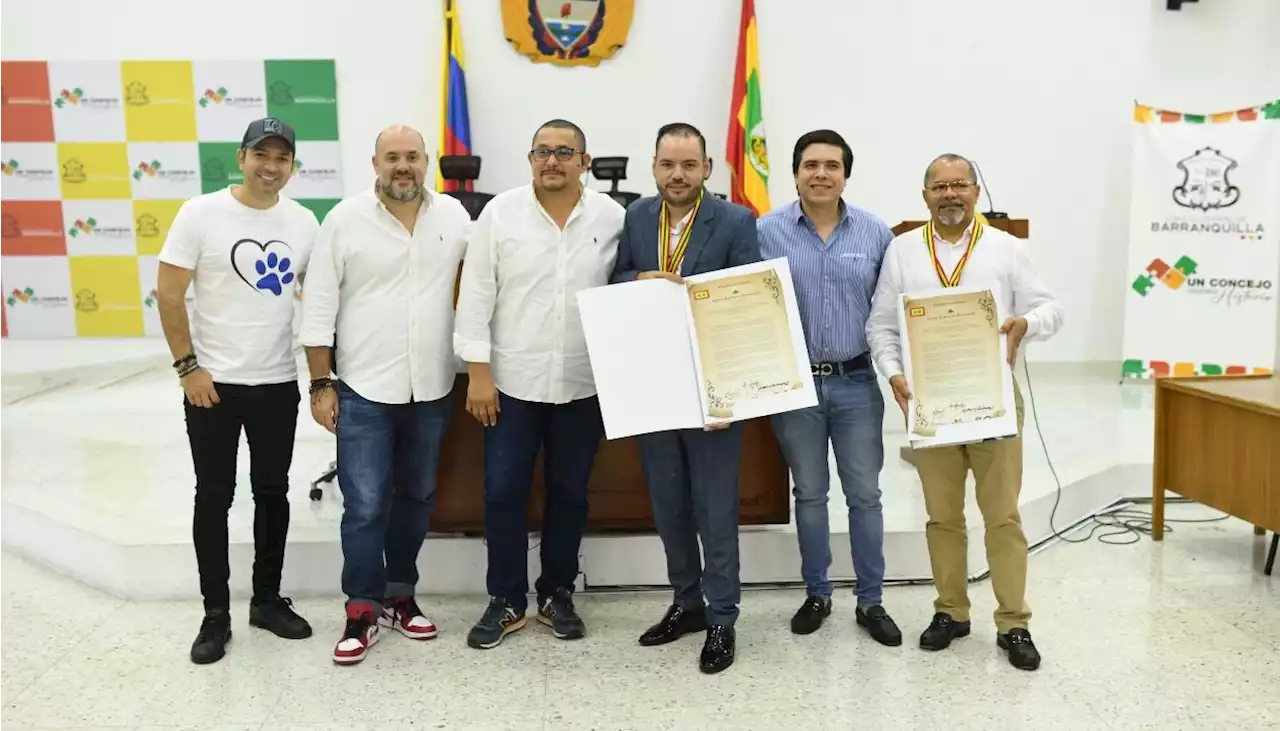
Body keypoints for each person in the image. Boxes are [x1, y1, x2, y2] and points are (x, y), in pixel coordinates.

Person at [865, 153, 1064, 671]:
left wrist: (1026, 325)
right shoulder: (903, 250)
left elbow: (1051, 309)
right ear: (925, 195)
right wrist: (893, 374)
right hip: (931, 404)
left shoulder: (1006, 248)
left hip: (994, 402)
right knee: (942, 517)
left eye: (960, 185)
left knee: (1003, 517)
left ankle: (1013, 622)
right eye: (939, 186)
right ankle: (951, 611)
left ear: (977, 192)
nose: (949, 194)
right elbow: (881, 326)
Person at [299, 124, 472, 666]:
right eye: (392, 157)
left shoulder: (455, 218)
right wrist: (321, 382)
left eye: (413, 157)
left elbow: (481, 285)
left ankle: (401, 595)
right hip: (363, 388)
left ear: (429, 162)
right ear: (375, 162)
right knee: (366, 505)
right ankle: (362, 607)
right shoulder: (344, 220)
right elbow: (319, 305)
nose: (403, 166)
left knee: (418, 498)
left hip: (433, 386)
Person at [453, 119, 625, 650]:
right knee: (503, 492)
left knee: (570, 494)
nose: (552, 161)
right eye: (542, 152)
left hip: (582, 383)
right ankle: (506, 600)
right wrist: (478, 372)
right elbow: (477, 293)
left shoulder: (613, 217)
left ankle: (557, 594)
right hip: (511, 384)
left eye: (564, 152)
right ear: (530, 159)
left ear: (585, 160)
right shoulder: (499, 214)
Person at [155, 117, 318, 665]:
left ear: (292, 166)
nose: (271, 167)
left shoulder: (303, 221)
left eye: (282, 158)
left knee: (273, 493)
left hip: (276, 382)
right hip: (213, 386)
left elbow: (318, 300)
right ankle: (215, 613)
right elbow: (169, 293)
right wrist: (188, 368)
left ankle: (267, 601)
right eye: (261, 155)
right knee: (214, 497)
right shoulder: (201, 213)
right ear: (242, 156)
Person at [611, 122, 761, 675]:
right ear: (654, 167)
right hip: (654, 385)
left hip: (711, 387)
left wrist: (729, 395)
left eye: (689, 166)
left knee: (714, 508)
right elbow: (619, 275)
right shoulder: (636, 216)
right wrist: (638, 281)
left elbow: (746, 304)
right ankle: (687, 602)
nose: (678, 175)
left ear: (706, 170)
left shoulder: (737, 221)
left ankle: (723, 617)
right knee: (669, 503)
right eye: (668, 165)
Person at [756, 130, 902, 646]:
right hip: (794, 387)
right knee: (810, 494)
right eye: (810, 164)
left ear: (845, 174)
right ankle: (817, 593)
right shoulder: (766, 231)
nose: (821, 174)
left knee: (865, 495)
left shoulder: (875, 233)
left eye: (831, 165)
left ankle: (871, 600)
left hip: (857, 382)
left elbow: (892, 310)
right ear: (795, 172)